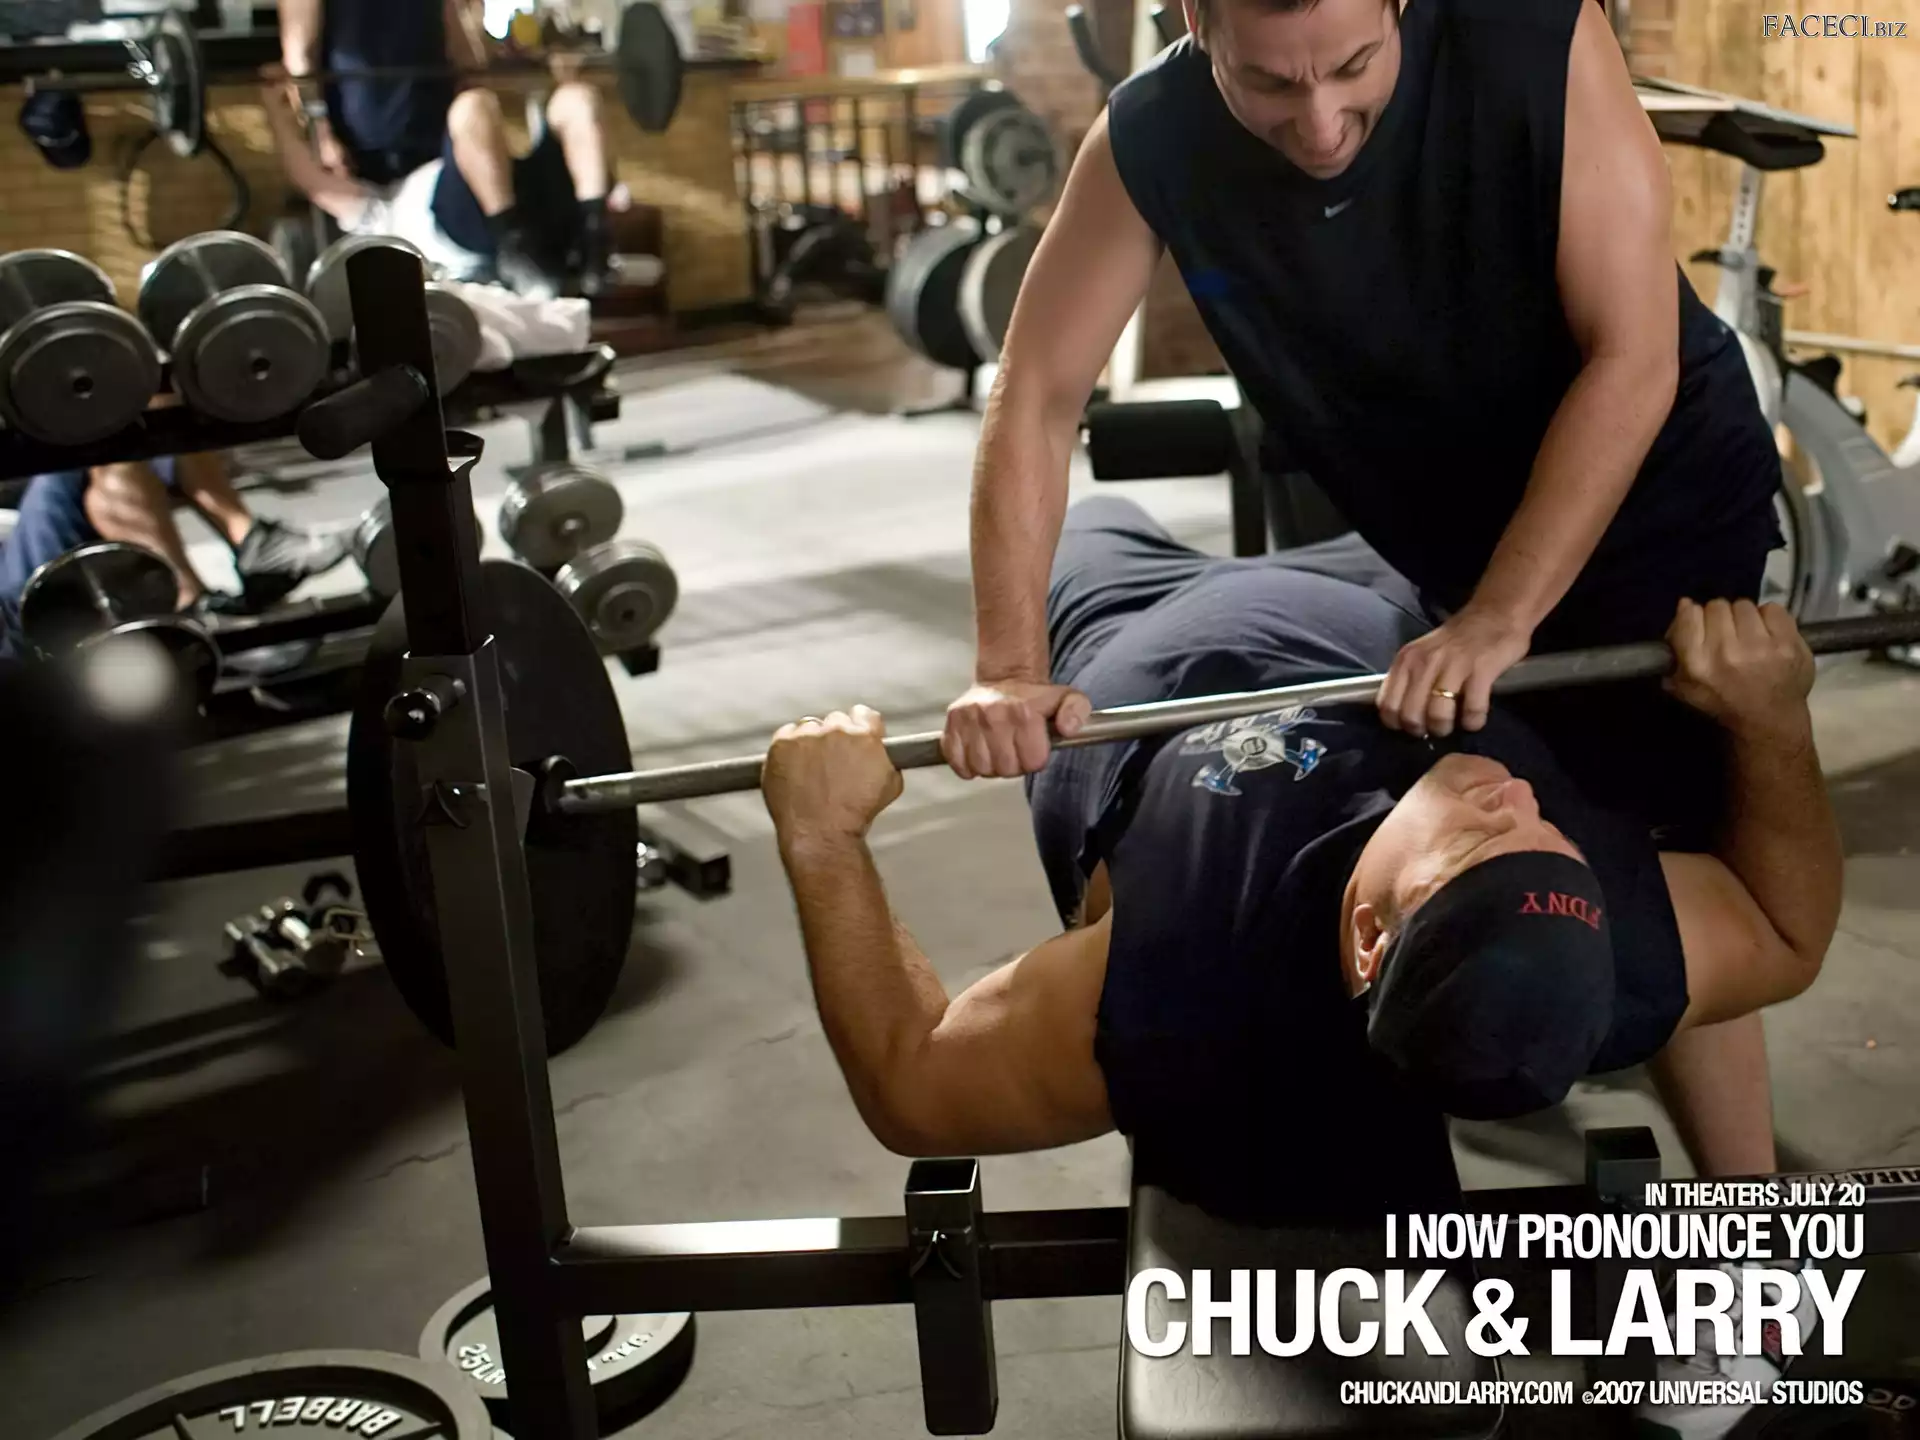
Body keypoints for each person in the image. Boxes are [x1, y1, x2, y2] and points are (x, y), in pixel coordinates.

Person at [763, 498, 1837, 1427]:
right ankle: (1753, 1231)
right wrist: (1772, 719)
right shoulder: (1605, 930)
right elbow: (1787, 934)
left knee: (1081, 515)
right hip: (1415, 599)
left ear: (1370, 937)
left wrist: (823, 837)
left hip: (1130, 625)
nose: (1512, 796)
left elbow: (911, 1083)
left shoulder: (1180, 981)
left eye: (1478, 836)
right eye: (1541, 831)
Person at [270, 0, 615, 297]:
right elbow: (310, 178)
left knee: (578, 100)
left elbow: (465, 57)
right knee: (474, 106)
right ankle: (514, 250)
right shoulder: (376, 210)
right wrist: (303, 123)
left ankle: (595, 239)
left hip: (482, 178)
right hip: (465, 216)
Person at [0, 454, 350, 657]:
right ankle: (190, 609)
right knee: (98, 449)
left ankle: (251, 546)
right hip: (21, 617)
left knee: (113, 424)